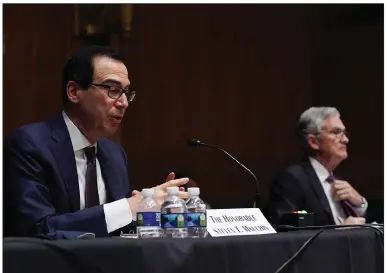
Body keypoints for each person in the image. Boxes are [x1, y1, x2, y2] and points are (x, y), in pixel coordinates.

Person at [4, 45, 188, 238]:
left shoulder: (114, 154)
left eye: (126, 92)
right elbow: (37, 228)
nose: (123, 102)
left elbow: (119, 227)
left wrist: (152, 211)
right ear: (74, 92)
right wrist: (127, 208)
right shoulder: (29, 145)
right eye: (113, 89)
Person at [264, 107, 367, 226]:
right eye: (335, 132)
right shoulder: (293, 178)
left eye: (344, 133)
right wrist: (340, 233)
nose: (345, 140)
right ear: (314, 142)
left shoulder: (339, 180)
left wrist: (361, 204)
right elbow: (283, 230)